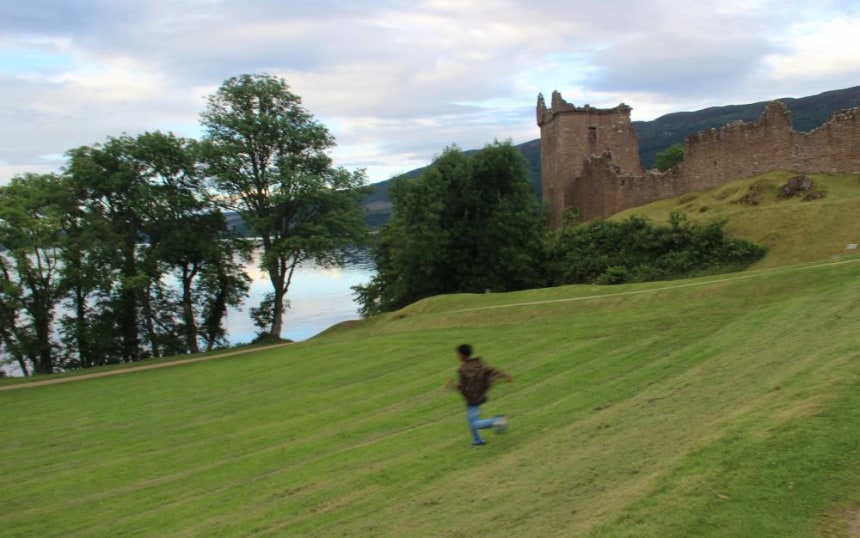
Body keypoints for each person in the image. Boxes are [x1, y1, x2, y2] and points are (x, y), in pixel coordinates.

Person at [450, 343, 513, 447]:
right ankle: (477, 441)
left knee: (474, 423)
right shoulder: (478, 363)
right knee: (470, 419)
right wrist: (504, 376)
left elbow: (462, 386)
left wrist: (452, 386)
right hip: (480, 395)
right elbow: (490, 371)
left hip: (472, 398)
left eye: (458, 354)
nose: (457, 356)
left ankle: (497, 421)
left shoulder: (462, 369)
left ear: (462, 355)